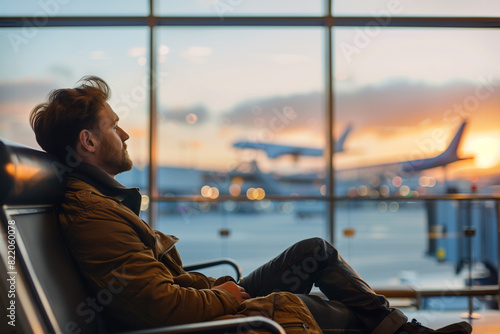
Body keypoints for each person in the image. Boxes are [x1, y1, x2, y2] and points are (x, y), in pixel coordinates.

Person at [29, 76, 473, 334]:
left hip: (201, 306)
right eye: (114, 127)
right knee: (342, 316)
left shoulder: (101, 202)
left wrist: (212, 287)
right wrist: (221, 295)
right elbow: (157, 308)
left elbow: (159, 285)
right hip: (193, 327)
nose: (124, 136)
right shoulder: (94, 214)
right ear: (87, 141)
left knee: (313, 251)